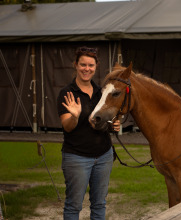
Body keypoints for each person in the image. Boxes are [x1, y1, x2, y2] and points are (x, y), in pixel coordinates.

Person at [57, 46, 120, 219]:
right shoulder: (67, 93)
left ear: (96, 66)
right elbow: (67, 127)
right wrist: (75, 117)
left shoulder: (102, 92)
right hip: (76, 157)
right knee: (73, 205)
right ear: (75, 65)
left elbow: (104, 122)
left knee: (99, 204)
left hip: (103, 156)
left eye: (91, 65)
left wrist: (113, 126)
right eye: (83, 64)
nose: (87, 69)